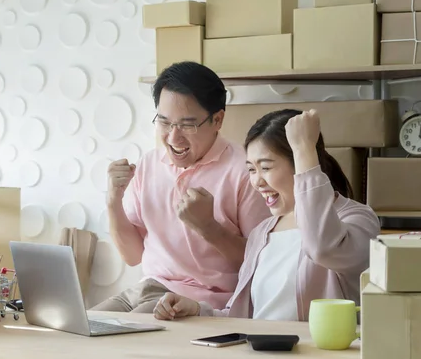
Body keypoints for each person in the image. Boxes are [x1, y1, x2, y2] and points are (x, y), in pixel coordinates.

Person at [153, 109, 381, 321]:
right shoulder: (262, 233)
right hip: (262, 356)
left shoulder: (357, 220)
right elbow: (243, 317)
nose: (257, 182)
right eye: (252, 169)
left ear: (302, 165)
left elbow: (322, 248)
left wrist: (305, 149)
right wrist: (196, 309)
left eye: (266, 167)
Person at [92, 61, 271, 314]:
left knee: (121, 337)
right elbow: (132, 256)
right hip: (146, 288)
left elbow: (262, 262)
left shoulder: (245, 171)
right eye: (165, 122)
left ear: (217, 120)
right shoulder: (149, 164)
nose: (174, 138)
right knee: (82, 328)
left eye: (187, 125)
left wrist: (208, 227)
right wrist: (113, 201)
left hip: (199, 301)